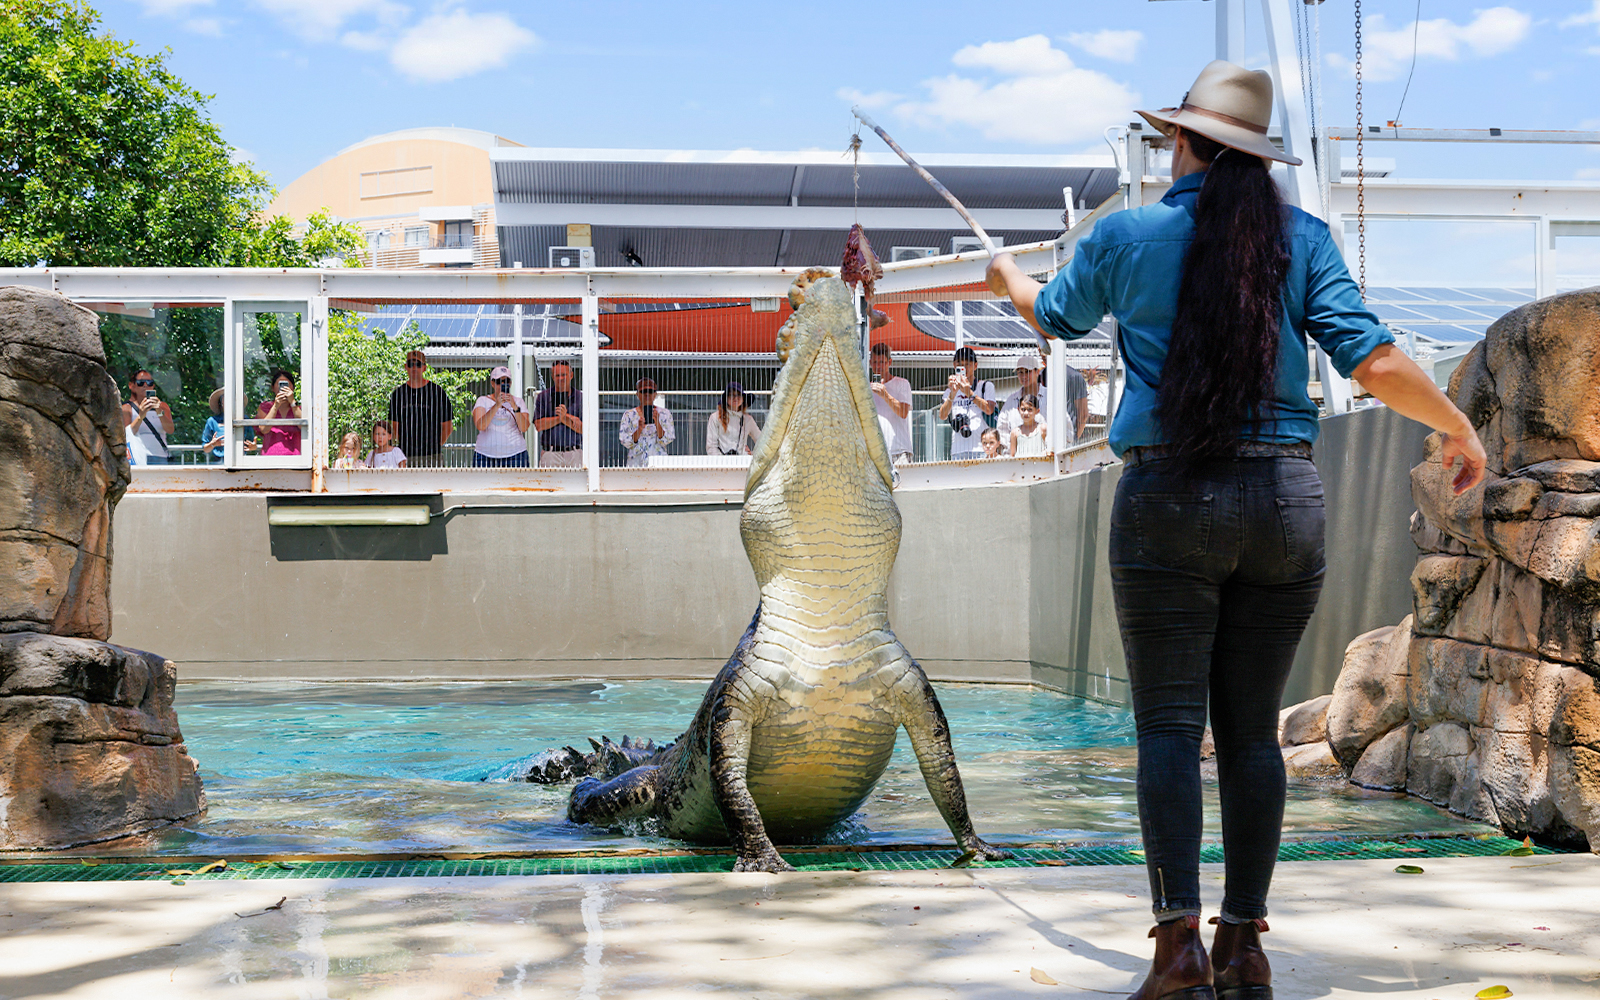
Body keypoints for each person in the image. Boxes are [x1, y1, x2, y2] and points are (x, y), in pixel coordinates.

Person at [985, 60, 1486, 1000]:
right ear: (1257, 160)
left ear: (1181, 142)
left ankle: (1177, 947)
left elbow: (1050, 316)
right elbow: (1371, 359)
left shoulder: (1126, 235)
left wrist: (1009, 272)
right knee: (1251, 734)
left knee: (1169, 730)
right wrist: (1455, 425)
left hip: (1166, 500)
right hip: (1284, 504)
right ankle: (1243, 946)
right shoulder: (1302, 240)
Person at [388, 349, 454, 468]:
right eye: (410, 364)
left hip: (432, 456)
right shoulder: (398, 394)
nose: (414, 368)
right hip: (405, 455)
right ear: (405, 367)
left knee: (434, 486)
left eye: (418, 364)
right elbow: (394, 427)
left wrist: (434, 446)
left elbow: (448, 427)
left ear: (424, 368)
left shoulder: (437, 392)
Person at [937, 346, 995, 459]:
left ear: (975, 365)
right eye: (960, 364)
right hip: (957, 449)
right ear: (954, 365)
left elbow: (989, 409)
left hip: (981, 449)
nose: (963, 367)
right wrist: (952, 394)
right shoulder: (950, 391)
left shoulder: (985, 386)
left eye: (967, 364)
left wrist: (970, 393)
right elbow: (943, 415)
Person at [471, 365, 531, 467]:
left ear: (510, 383)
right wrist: (497, 405)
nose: (503, 384)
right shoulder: (483, 400)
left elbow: (524, 427)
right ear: (492, 383)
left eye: (507, 381)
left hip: (515, 454)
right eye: (499, 381)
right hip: (486, 455)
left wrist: (514, 406)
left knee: (517, 483)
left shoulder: (518, 401)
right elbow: (481, 425)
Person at [532, 360, 584, 467]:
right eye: (557, 375)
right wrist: (561, 418)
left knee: (577, 483)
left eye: (564, 375)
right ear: (552, 377)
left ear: (571, 375)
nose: (561, 378)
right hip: (550, 454)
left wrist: (564, 418)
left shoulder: (580, 397)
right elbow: (538, 425)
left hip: (574, 453)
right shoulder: (543, 397)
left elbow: (583, 428)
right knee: (548, 484)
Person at [869, 343, 914, 464]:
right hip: (875, 453)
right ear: (870, 362)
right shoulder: (866, 388)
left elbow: (903, 413)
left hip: (899, 451)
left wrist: (885, 395)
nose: (878, 366)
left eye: (882, 362)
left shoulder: (902, 384)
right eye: (875, 362)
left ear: (889, 362)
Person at [122, 369, 174, 465]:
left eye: (149, 382)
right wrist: (141, 416)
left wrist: (159, 412)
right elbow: (126, 434)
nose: (145, 385)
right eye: (140, 383)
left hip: (160, 456)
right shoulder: (127, 408)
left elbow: (170, 430)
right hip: (138, 457)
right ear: (132, 386)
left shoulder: (163, 406)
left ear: (153, 386)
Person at [618, 377, 674, 467]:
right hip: (636, 463)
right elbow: (625, 441)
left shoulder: (664, 413)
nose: (647, 394)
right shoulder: (629, 415)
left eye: (650, 391)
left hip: (658, 463)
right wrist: (639, 429)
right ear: (637, 394)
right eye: (643, 391)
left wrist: (658, 424)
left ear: (655, 394)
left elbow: (667, 439)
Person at [997, 354, 1050, 445]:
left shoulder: (1050, 397)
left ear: (1037, 372)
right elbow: (1002, 430)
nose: (1024, 376)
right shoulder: (1011, 401)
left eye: (1027, 371)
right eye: (1020, 372)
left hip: (1045, 457)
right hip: (1019, 457)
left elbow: (1064, 427)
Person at [705, 381, 761, 456]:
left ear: (743, 399)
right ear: (726, 398)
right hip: (720, 464)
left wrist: (753, 455)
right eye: (732, 395)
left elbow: (762, 441)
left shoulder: (747, 419)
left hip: (742, 464)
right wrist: (722, 463)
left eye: (739, 395)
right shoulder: (715, 417)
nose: (735, 398)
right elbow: (711, 447)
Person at [255, 368, 302, 456]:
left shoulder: (299, 409)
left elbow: (303, 426)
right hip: (271, 458)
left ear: (293, 388)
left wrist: (292, 402)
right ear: (273, 388)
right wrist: (276, 406)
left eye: (286, 384)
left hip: (296, 459)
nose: (283, 388)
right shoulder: (265, 407)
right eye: (280, 384)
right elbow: (264, 429)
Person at [201, 387, 226, 463]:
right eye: (226, 399)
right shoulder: (212, 421)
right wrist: (212, 444)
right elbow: (205, 448)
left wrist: (252, 447)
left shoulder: (243, 420)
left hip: (240, 464)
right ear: (221, 402)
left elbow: (252, 445)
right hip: (219, 463)